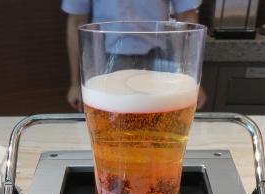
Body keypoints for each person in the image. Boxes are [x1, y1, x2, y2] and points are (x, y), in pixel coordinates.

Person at [62, 0, 205, 112]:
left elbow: (187, 18)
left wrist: (192, 78)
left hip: (159, 59)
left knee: (159, 124)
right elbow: (77, 21)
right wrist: (76, 82)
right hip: (105, 62)